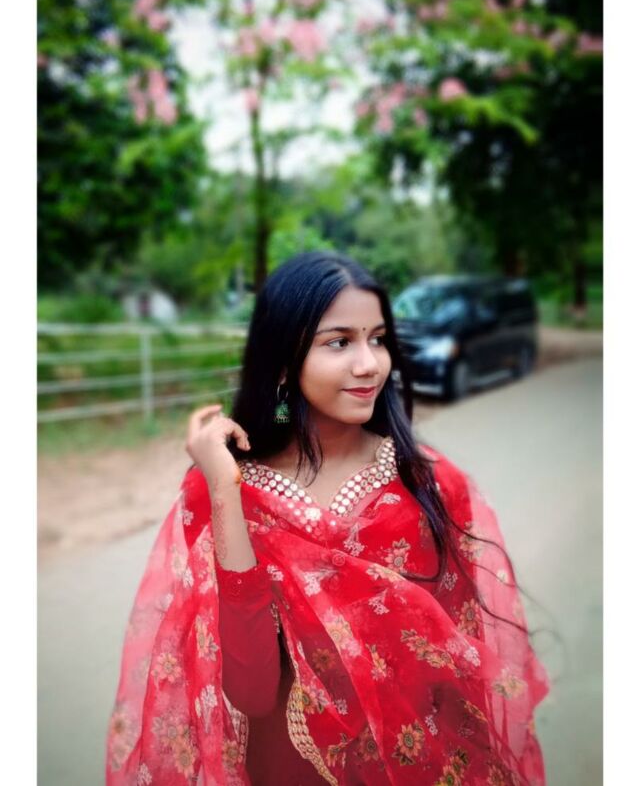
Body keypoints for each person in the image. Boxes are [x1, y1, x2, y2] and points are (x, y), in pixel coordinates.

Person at [106, 251, 549, 785]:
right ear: (283, 362)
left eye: (378, 339)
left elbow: (461, 680)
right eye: (339, 342)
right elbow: (251, 691)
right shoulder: (225, 491)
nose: (370, 364)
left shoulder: (427, 485)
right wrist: (225, 489)